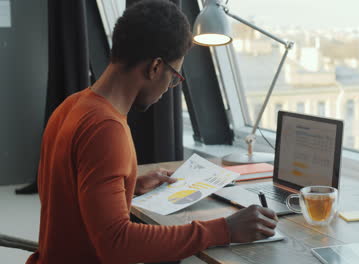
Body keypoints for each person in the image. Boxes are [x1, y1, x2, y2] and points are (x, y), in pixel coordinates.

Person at [26, 1, 278, 264]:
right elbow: (117, 245)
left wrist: (128, 187)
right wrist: (225, 229)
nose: (169, 87)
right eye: (174, 78)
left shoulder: (72, 106)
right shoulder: (105, 129)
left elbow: (68, 193)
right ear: (155, 67)